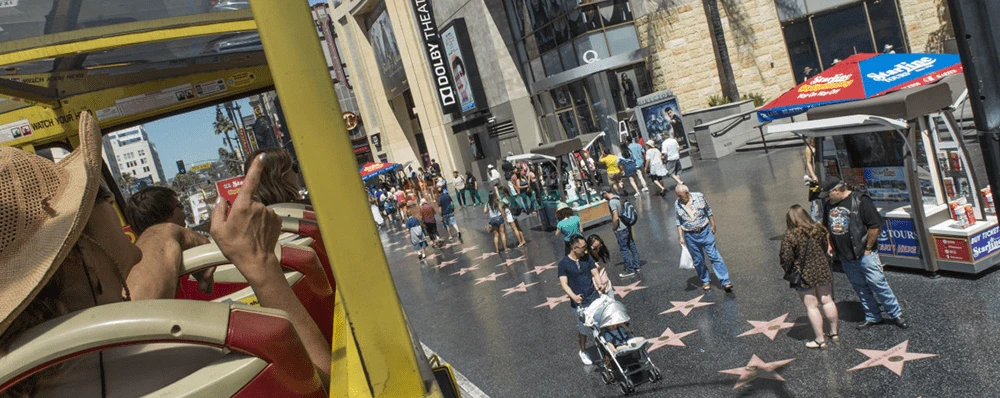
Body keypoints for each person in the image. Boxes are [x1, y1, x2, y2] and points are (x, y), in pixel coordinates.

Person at [0, 114, 331, 396]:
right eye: (98, 194)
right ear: (81, 256)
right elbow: (325, 383)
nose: (134, 253)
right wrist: (261, 267)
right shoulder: (189, 358)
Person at [819, 177, 908, 330]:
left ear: (836, 190)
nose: (827, 198)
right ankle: (873, 316)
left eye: (828, 194)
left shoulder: (860, 200)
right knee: (859, 287)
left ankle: (895, 314)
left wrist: (868, 248)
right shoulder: (829, 204)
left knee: (879, 284)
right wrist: (829, 245)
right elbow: (827, 226)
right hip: (846, 256)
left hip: (864, 254)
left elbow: (875, 225)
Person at [780, 204, 838, 349]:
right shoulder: (819, 229)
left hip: (804, 273)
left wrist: (788, 269)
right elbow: (826, 247)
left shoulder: (791, 235)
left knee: (812, 307)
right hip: (822, 269)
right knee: (827, 301)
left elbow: (786, 257)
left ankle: (820, 339)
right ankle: (833, 332)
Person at [558, 234, 606, 365]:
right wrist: (573, 296)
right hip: (579, 304)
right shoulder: (563, 264)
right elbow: (564, 284)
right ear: (574, 248)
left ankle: (607, 348)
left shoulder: (587, 258)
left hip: (594, 297)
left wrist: (600, 284)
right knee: (583, 329)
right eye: (583, 248)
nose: (585, 250)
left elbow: (595, 273)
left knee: (602, 322)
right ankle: (583, 350)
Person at [675, 184, 732, 292]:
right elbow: (678, 222)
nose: (679, 197)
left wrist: (713, 224)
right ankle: (705, 280)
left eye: (680, 195)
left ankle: (725, 281)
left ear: (687, 193)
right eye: (677, 195)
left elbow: (708, 211)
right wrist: (681, 237)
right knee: (698, 260)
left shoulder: (699, 197)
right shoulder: (677, 203)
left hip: (705, 231)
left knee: (714, 256)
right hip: (690, 235)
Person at [602, 191, 640, 277]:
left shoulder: (612, 202)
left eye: (603, 194)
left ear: (606, 193)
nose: (603, 197)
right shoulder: (618, 197)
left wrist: (614, 228)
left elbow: (615, 217)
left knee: (624, 249)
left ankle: (630, 269)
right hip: (627, 225)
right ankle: (637, 265)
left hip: (621, 228)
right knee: (632, 245)